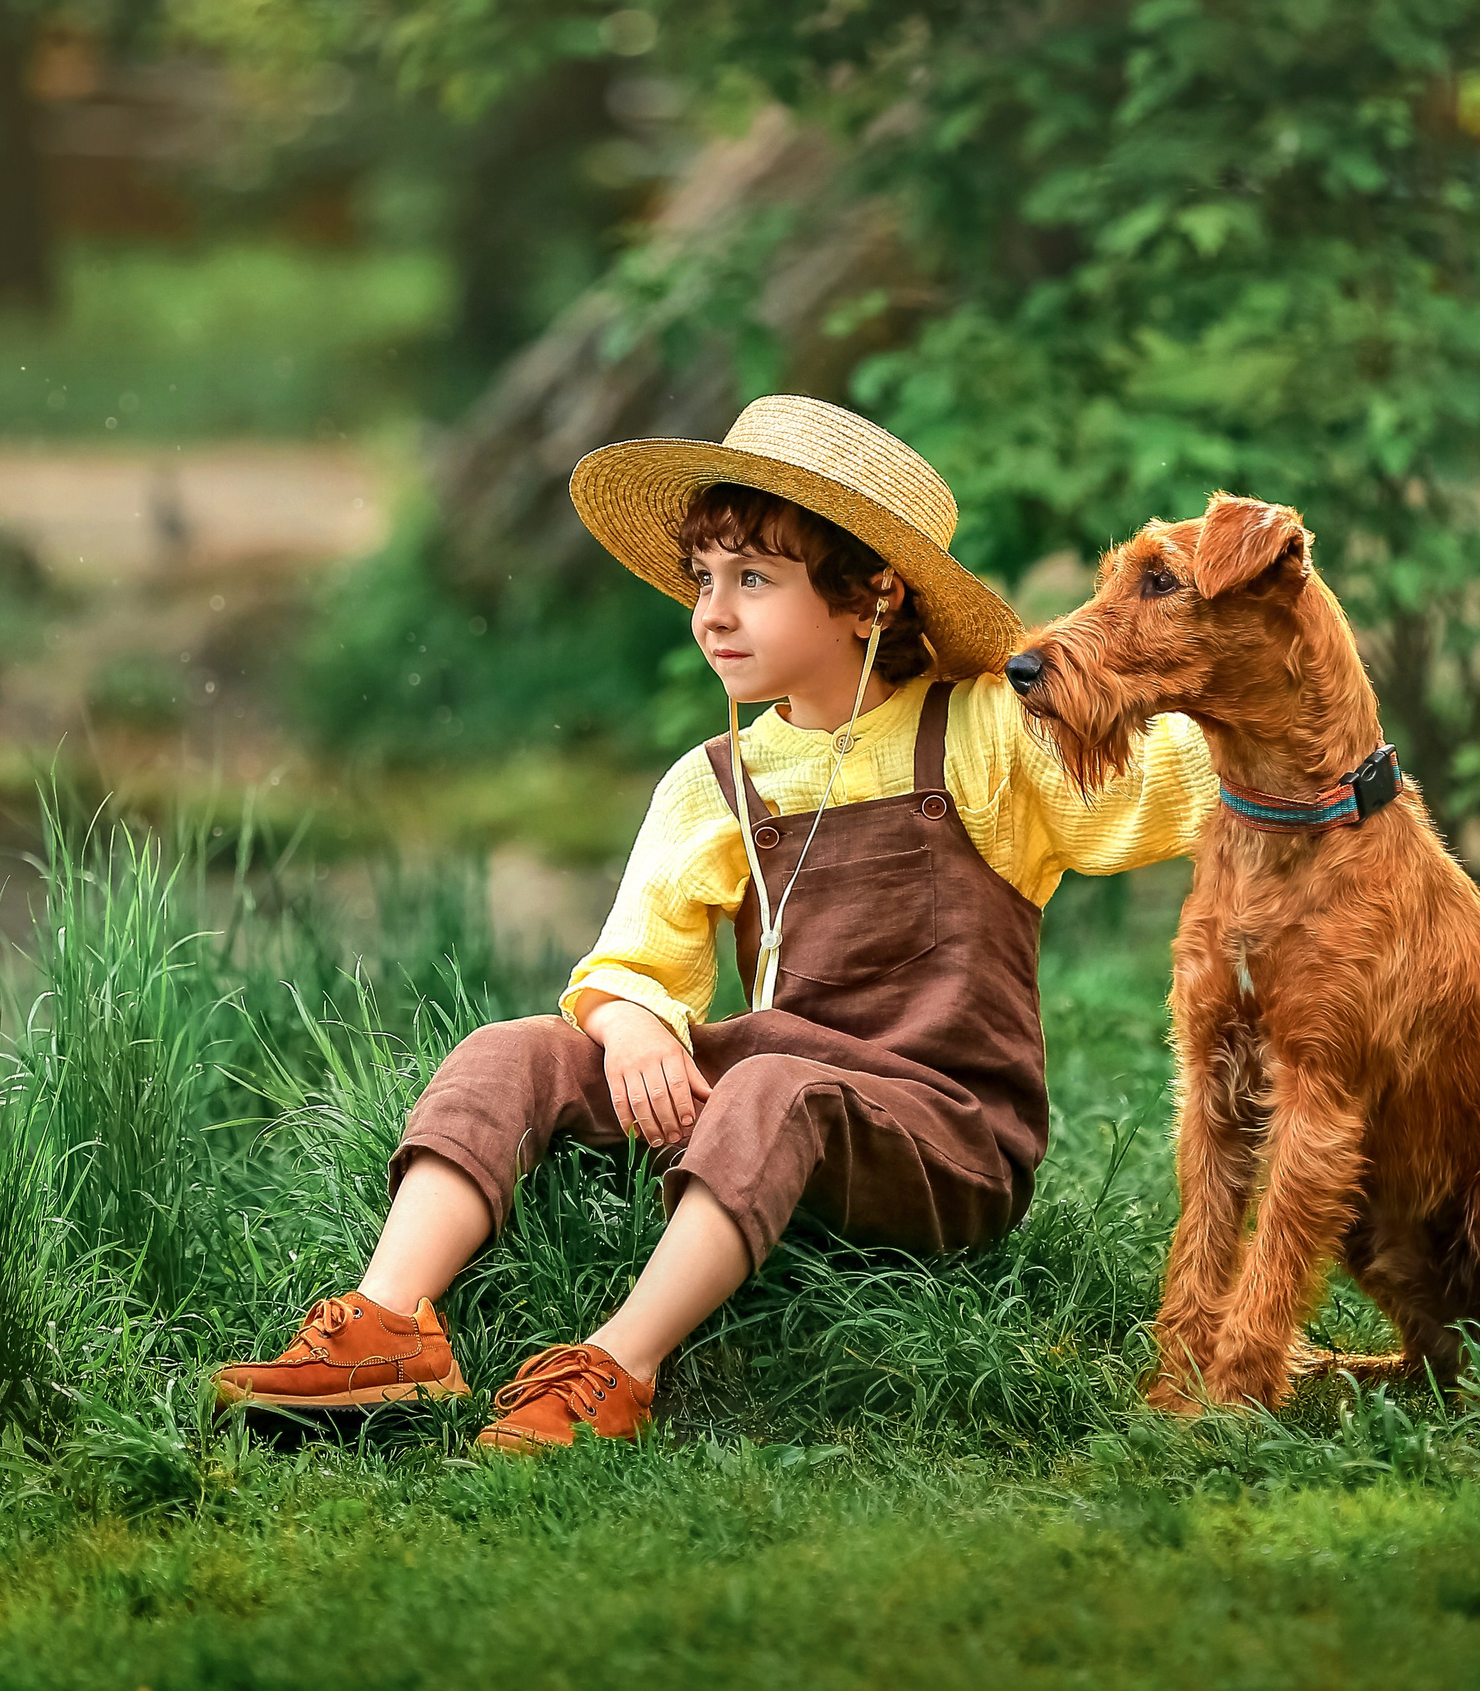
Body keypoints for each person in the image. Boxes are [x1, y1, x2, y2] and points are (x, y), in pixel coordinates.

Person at [215, 395, 1218, 1452]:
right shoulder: (714, 783)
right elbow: (628, 963)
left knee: (772, 1082)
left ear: (871, 594)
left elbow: (1195, 779)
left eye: (754, 580)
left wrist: (1293, 711)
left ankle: (618, 1365)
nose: (713, 614)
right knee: (512, 1050)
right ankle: (389, 1329)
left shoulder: (986, 733)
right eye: (704, 578)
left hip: (946, 1142)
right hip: (767, 1108)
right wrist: (630, 1025)